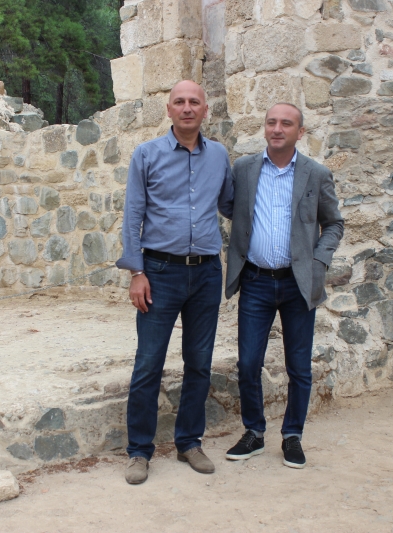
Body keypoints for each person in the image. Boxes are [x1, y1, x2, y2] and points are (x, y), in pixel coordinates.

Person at [116, 80, 233, 485]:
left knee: (199, 362)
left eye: (194, 102)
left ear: (205, 110)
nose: (187, 108)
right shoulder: (146, 155)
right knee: (149, 363)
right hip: (159, 274)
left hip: (205, 274)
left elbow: (230, 204)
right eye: (179, 102)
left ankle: (189, 443)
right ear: (168, 110)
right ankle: (139, 451)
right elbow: (133, 215)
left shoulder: (219, 155)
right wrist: (137, 273)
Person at [223, 103, 344, 468]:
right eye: (271, 122)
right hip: (256, 281)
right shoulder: (244, 169)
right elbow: (231, 208)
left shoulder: (316, 174)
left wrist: (319, 261)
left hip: (298, 284)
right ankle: (254, 432)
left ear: (299, 132)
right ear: (264, 128)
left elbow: (333, 224)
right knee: (248, 363)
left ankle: (292, 435)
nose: (277, 129)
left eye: (286, 124)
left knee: (299, 367)